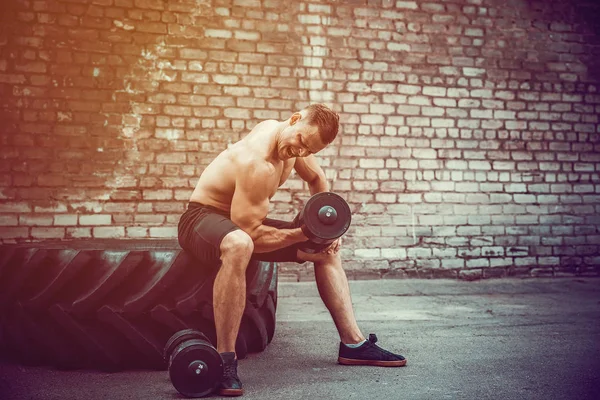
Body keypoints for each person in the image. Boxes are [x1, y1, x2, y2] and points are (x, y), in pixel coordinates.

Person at [178, 103, 406, 396]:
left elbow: (317, 180)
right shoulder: (257, 162)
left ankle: (354, 345)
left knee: (326, 248)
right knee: (239, 243)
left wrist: (324, 230)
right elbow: (249, 233)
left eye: (308, 150)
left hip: (243, 220)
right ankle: (225, 360)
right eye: (300, 141)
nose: (300, 152)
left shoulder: (294, 145)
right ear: (294, 119)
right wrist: (301, 235)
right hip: (202, 219)